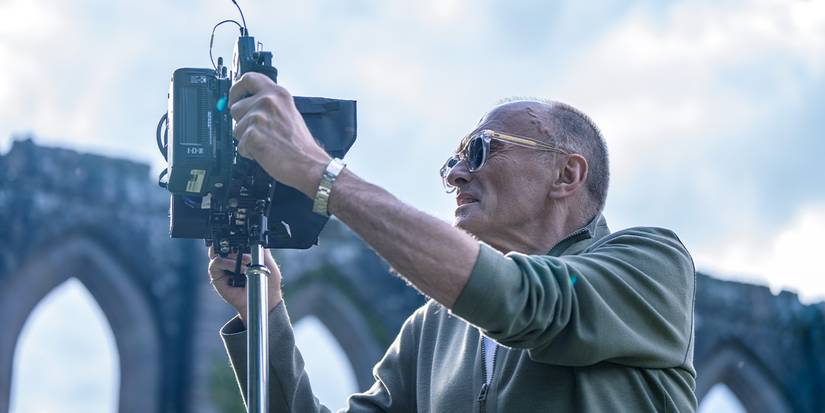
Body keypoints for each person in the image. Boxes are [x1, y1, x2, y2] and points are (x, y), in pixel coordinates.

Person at [208, 72, 697, 412]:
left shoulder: (653, 267)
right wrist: (263, 312)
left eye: (480, 149)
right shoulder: (432, 329)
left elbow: (522, 300)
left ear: (566, 174)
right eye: (452, 162)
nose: (457, 174)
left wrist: (319, 173)